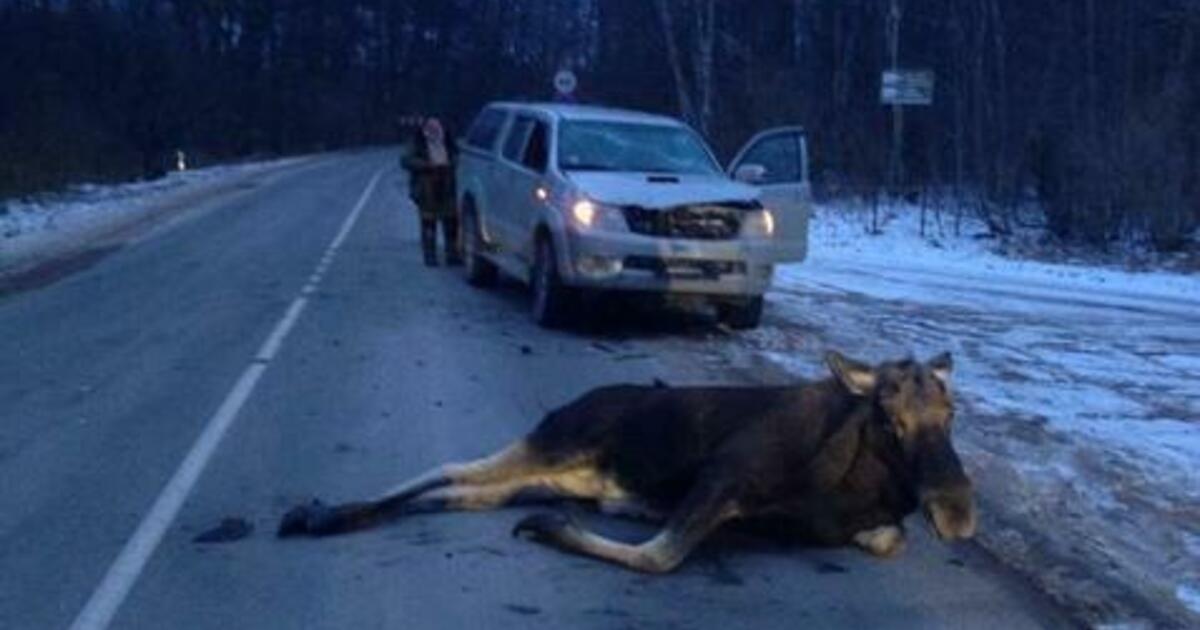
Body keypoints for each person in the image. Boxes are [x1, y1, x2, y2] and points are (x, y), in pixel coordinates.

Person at [402, 118, 461, 267]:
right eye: (430, 127)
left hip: (448, 185)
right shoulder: (418, 141)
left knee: (451, 222)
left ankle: (452, 254)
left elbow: (457, 156)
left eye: (436, 126)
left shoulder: (448, 140)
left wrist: (450, 164)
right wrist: (427, 166)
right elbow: (406, 160)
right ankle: (430, 256)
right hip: (426, 187)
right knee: (429, 223)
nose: (434, 129)